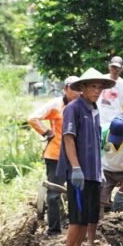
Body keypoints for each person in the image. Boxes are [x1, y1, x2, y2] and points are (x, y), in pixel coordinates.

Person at [57, 68, 115, 246]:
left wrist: (100, 170)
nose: (97, 91)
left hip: (93, 173)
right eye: (93, 87)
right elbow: (69, 139)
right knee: (77, 216)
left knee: (88, 216)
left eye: (100, 88)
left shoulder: (95, 110)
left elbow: (96, 143)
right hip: (79, 173)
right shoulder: (74, 108)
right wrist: (75, 167)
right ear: (83, 87)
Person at [28, 75, 79, 236]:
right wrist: (47, 132)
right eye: (73, 88)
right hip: (55, 155)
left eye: (79, 88)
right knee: (53, 194)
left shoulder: (83, 106)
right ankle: (54, 230)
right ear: (65, 88)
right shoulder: (56, 105)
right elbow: (33, 118)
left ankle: (75, 228)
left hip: (75, 157)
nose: (76, 92)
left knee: (76, 192)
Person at [97, 56, 123, 126]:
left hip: (114, 123)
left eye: (117, 68)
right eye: (113, 67)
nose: (115, 70)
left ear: (122, 69)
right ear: (109, 67)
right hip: (99, 120)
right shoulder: (101, 79)